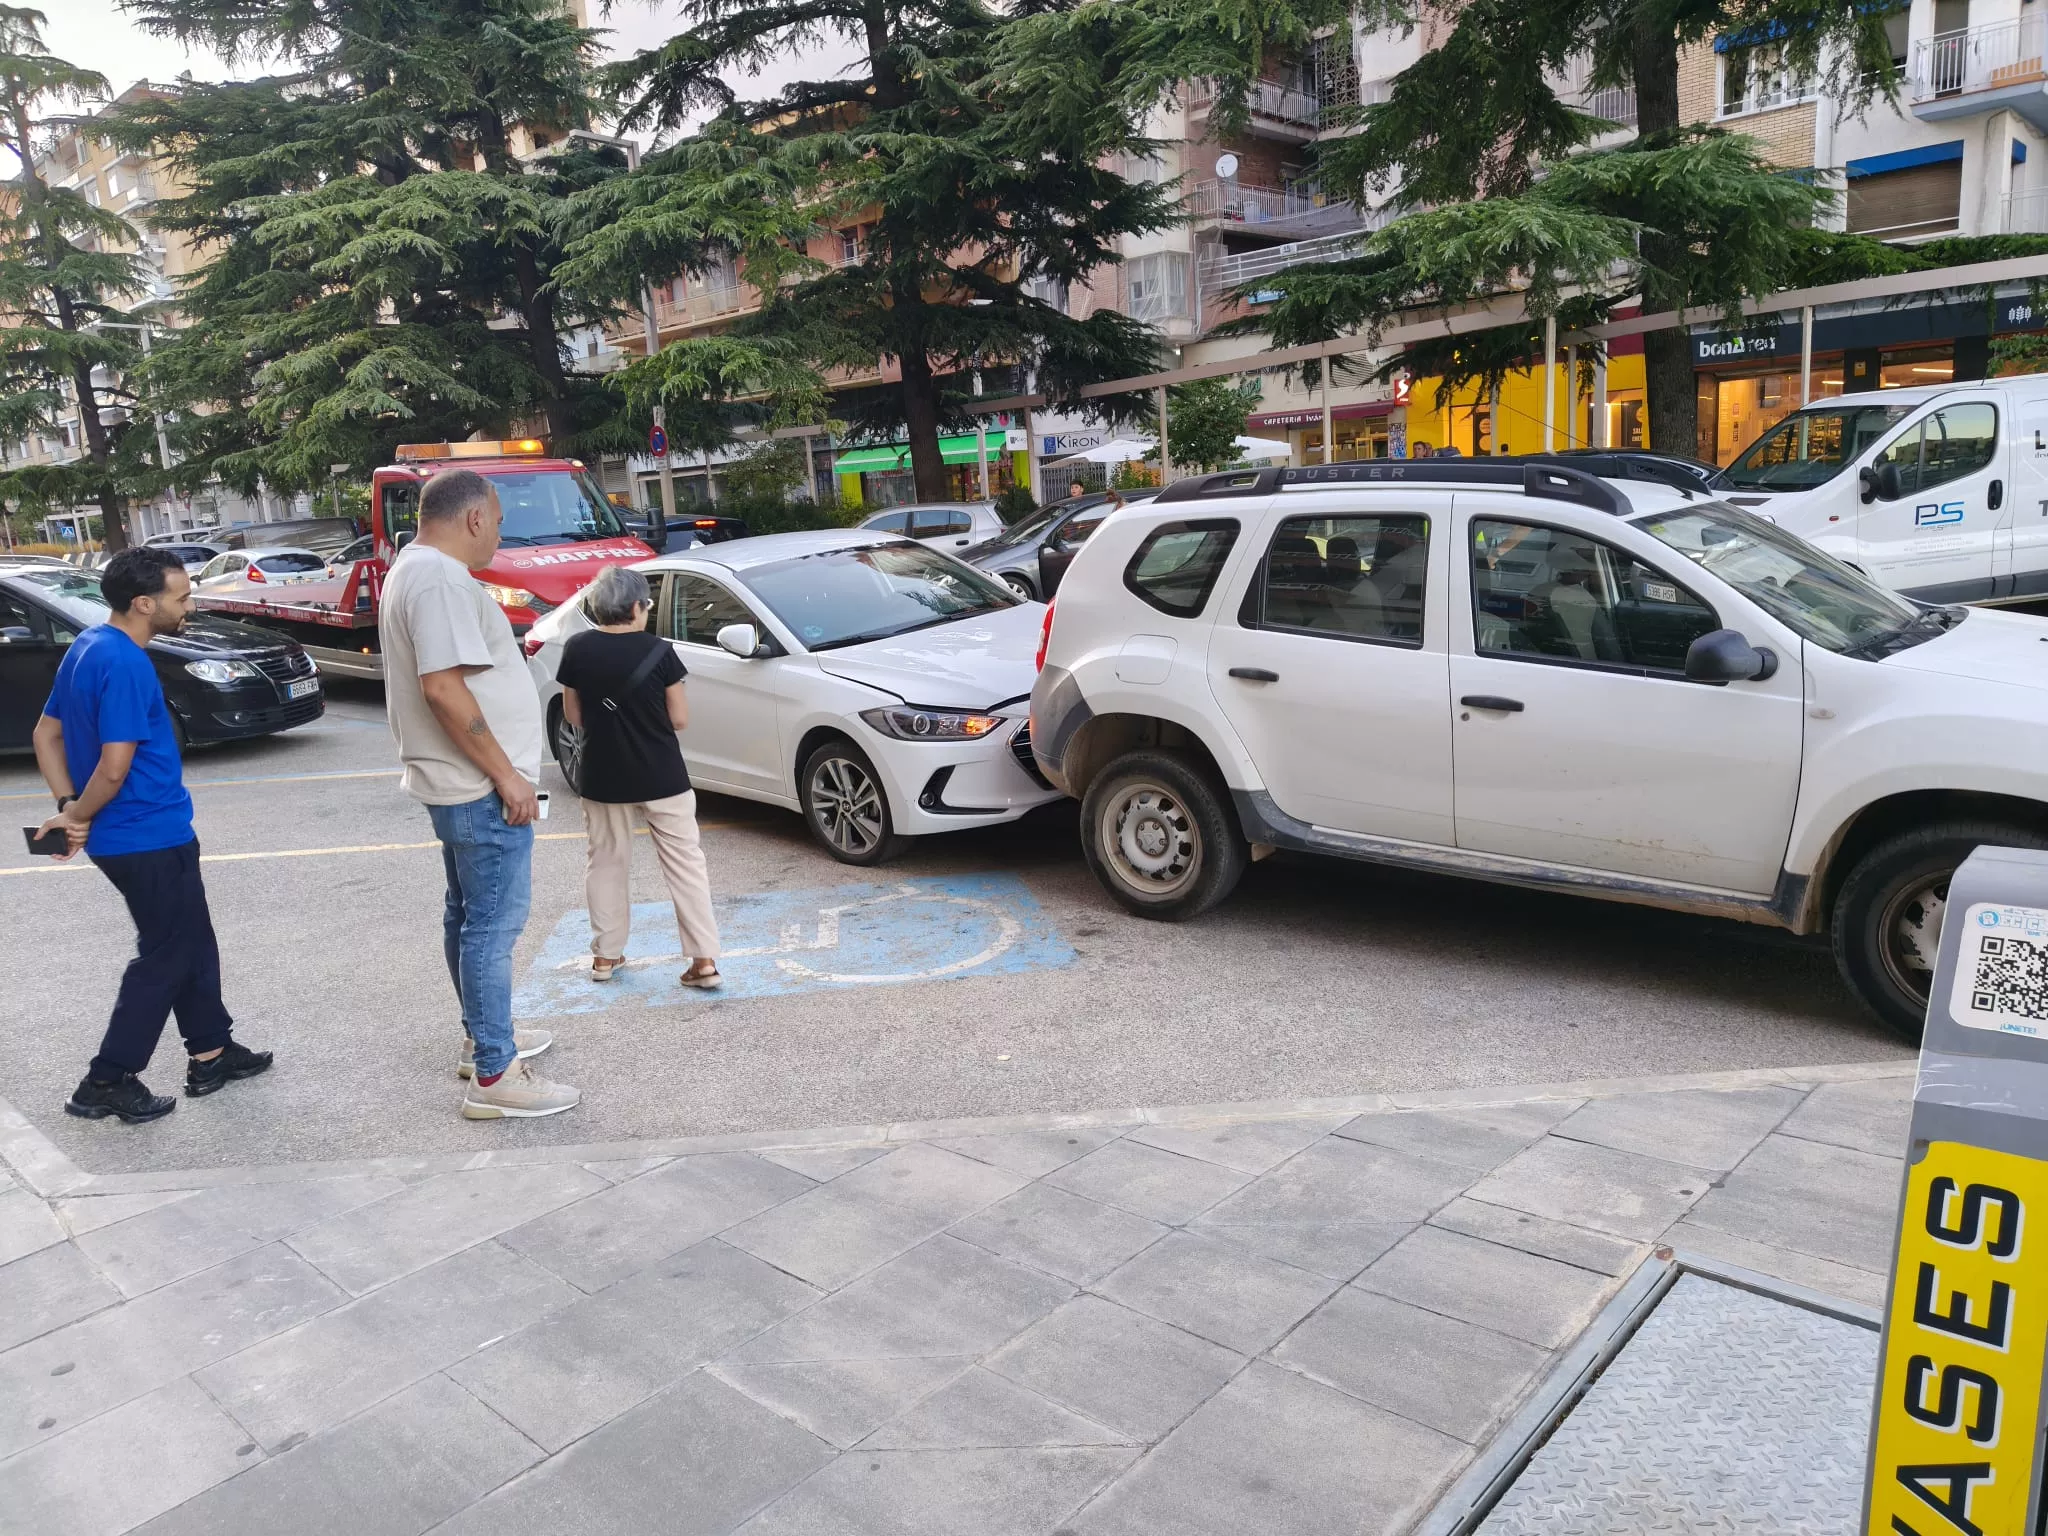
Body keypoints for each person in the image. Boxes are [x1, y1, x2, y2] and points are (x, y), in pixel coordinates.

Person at [33, 548, 272, 1124]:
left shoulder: (87, 646)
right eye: (182, 597)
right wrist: (77, 816)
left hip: (146, 833)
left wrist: (68, 804)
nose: (190, 605)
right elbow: (115, 765)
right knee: (166, 954)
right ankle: (106, 1079)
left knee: (192, 939)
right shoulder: (128, 664)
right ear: (144, 603)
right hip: (146, 836)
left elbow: (46, 735)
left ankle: (211, 1051)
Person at [382, 468, 576, 1120]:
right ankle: (496, 1075)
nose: (498, 533)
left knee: (467, 918)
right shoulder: (437, 578)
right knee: (490, 928)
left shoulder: (413, 568)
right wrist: (508, 775)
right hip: (477, 786)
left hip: (458, 784)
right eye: (496, 520)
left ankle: (482, 1040)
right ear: (472, 518)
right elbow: (443, 688)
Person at [557, 566, 722, 989]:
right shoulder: (659, 651)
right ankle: (703, 961)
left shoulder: (576, 648)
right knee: (685, 864)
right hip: (662, 773)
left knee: (606, 862)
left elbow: (574, 716)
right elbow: (680, 719)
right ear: (635, 607)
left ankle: (605, 957)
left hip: (602, 775)